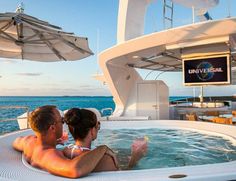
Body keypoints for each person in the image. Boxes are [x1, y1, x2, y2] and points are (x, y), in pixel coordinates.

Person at [12, 105, 117, 178]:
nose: (64, 124)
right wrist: (102, 148)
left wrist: (53, 141)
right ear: (52, 128)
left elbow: (15, 142)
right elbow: (75, 170)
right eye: (61, 121)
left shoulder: (28, 141)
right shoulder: (48, 154)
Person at [63, 108, 147, 171]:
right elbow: (124, 176)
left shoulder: (66, 151)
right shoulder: (105, 160)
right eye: (97, 125)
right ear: (92, 131)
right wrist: (135, 158)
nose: (98, 128)